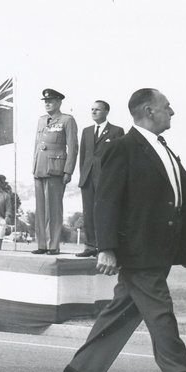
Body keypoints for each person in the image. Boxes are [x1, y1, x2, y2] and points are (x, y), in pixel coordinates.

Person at [61, 88, 186, 372]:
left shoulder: (162, 148)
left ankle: (81, 369)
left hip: (158, 250)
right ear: (149, 111)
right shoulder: (122, 148)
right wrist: (106, 248)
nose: (173, 112)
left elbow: (177, 200)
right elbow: (106, 201)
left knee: (124, 308)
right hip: (139, 252)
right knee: (160, 314)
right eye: (167, 107)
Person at [32, 88, 78, 255]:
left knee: (53, 209)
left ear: (59, 102)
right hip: (40, 168)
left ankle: (53, 245)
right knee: (41, 210)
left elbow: (73, 147)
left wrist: (68, 171)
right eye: (45, 101)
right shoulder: (41, 120)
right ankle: (42, 244)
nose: (47, 103)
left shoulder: (67, 120)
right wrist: (34, 166)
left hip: (56, 169)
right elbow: (37, 146)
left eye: (51, 100)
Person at [76, 100, 124, 258]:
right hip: (88, 178)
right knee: (88, 213)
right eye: (92, 109)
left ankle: (104, 247)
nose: (94, 112)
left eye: (97, 109)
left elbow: (119, 158)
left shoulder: (116, 131)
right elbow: (83, 156)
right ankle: (90, 246)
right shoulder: (87, 131)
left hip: (106, 179)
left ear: (106, 112)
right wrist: (83, 176)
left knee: (104, 213)